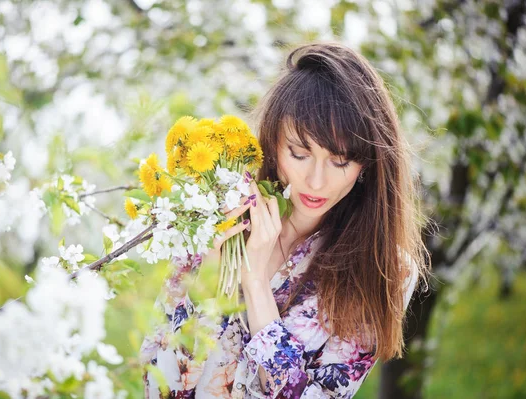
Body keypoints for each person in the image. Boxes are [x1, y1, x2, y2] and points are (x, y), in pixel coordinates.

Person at [139, 41, 431, 398]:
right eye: (299, 153)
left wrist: (256, 284)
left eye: (340, 161)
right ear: (274, 143)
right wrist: (212, 280)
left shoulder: (385, 269)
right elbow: (155, 386)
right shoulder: (218, 213)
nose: (317, 181)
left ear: (366, 163)